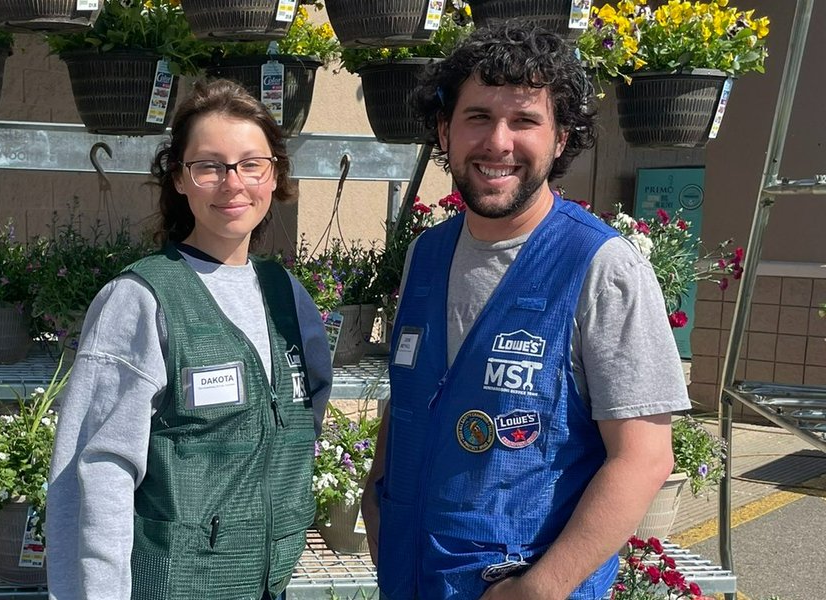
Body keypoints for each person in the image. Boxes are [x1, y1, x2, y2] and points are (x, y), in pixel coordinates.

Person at [360, 22, 691, 600]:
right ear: (445, 131)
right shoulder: (425, 254)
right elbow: (416, 387)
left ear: (561, 138)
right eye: (478, 117)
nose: (498, 142)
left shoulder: (602, 268)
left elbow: (643, 459)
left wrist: (540, 589)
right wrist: (376, 495)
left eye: (525, 120)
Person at [46, 78, 333, 600]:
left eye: (251, 164)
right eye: (209, 166)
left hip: (270, 585)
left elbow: (301, 415)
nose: (232, 184)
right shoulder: (140, 300)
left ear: (274, 175)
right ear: (179, 178)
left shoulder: (288, 296)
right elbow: (96, 470)